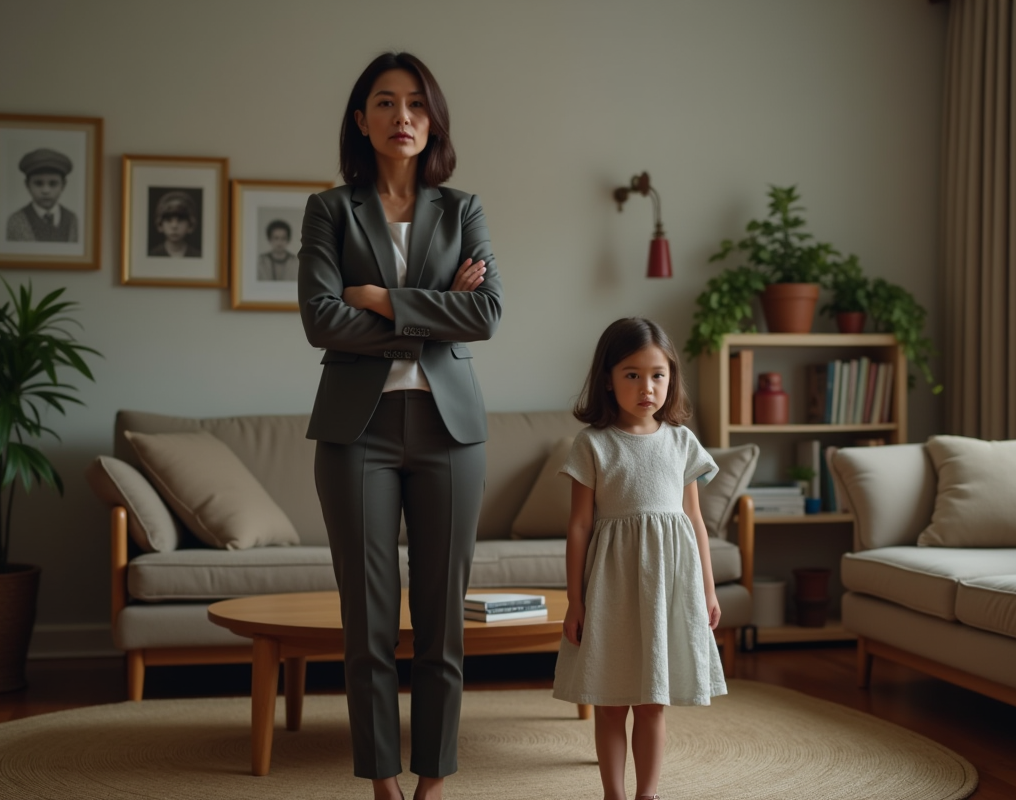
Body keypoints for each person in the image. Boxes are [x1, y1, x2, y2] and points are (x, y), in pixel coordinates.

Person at [297, 51, 502, 800]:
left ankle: (435, 779)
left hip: (452, 431)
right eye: (385, 102)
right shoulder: (329, 210)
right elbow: (321, 320)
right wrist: (432, 307)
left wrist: (382, 299)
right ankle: (382, 779)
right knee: (369, 619)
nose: (403, 116)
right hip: (358, 431)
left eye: (416, 103)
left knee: (442, 623)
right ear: (362, 120)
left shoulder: (463, 209)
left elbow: (487, 314)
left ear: (432, 119)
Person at [552, 317, 727, 800]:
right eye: (632, 374)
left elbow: (694, 521)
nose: (646, 387)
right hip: (610, 588)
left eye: (658, 374)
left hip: (668, 587)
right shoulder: (593, 444)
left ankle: (646, 794)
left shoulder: (681, 441)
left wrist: (708, 590)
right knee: (611, 702)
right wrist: (575, 600)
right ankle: (614, 793)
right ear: (607, 377)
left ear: (671, 378)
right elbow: (580, 526)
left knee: (654, 701)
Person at [5, 148, 79, 242]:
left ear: (63, 185)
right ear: (27, 185)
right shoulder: (16, 221)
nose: (45, 190)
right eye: (38, 183)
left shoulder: (72, 220)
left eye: (53, 183)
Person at [149, 190, 200, 257]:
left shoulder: (197, 255)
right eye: (168, 220)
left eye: (180, 220)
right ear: (160, 225)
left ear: (190, 225)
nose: (174, 226)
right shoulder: (153, 255)